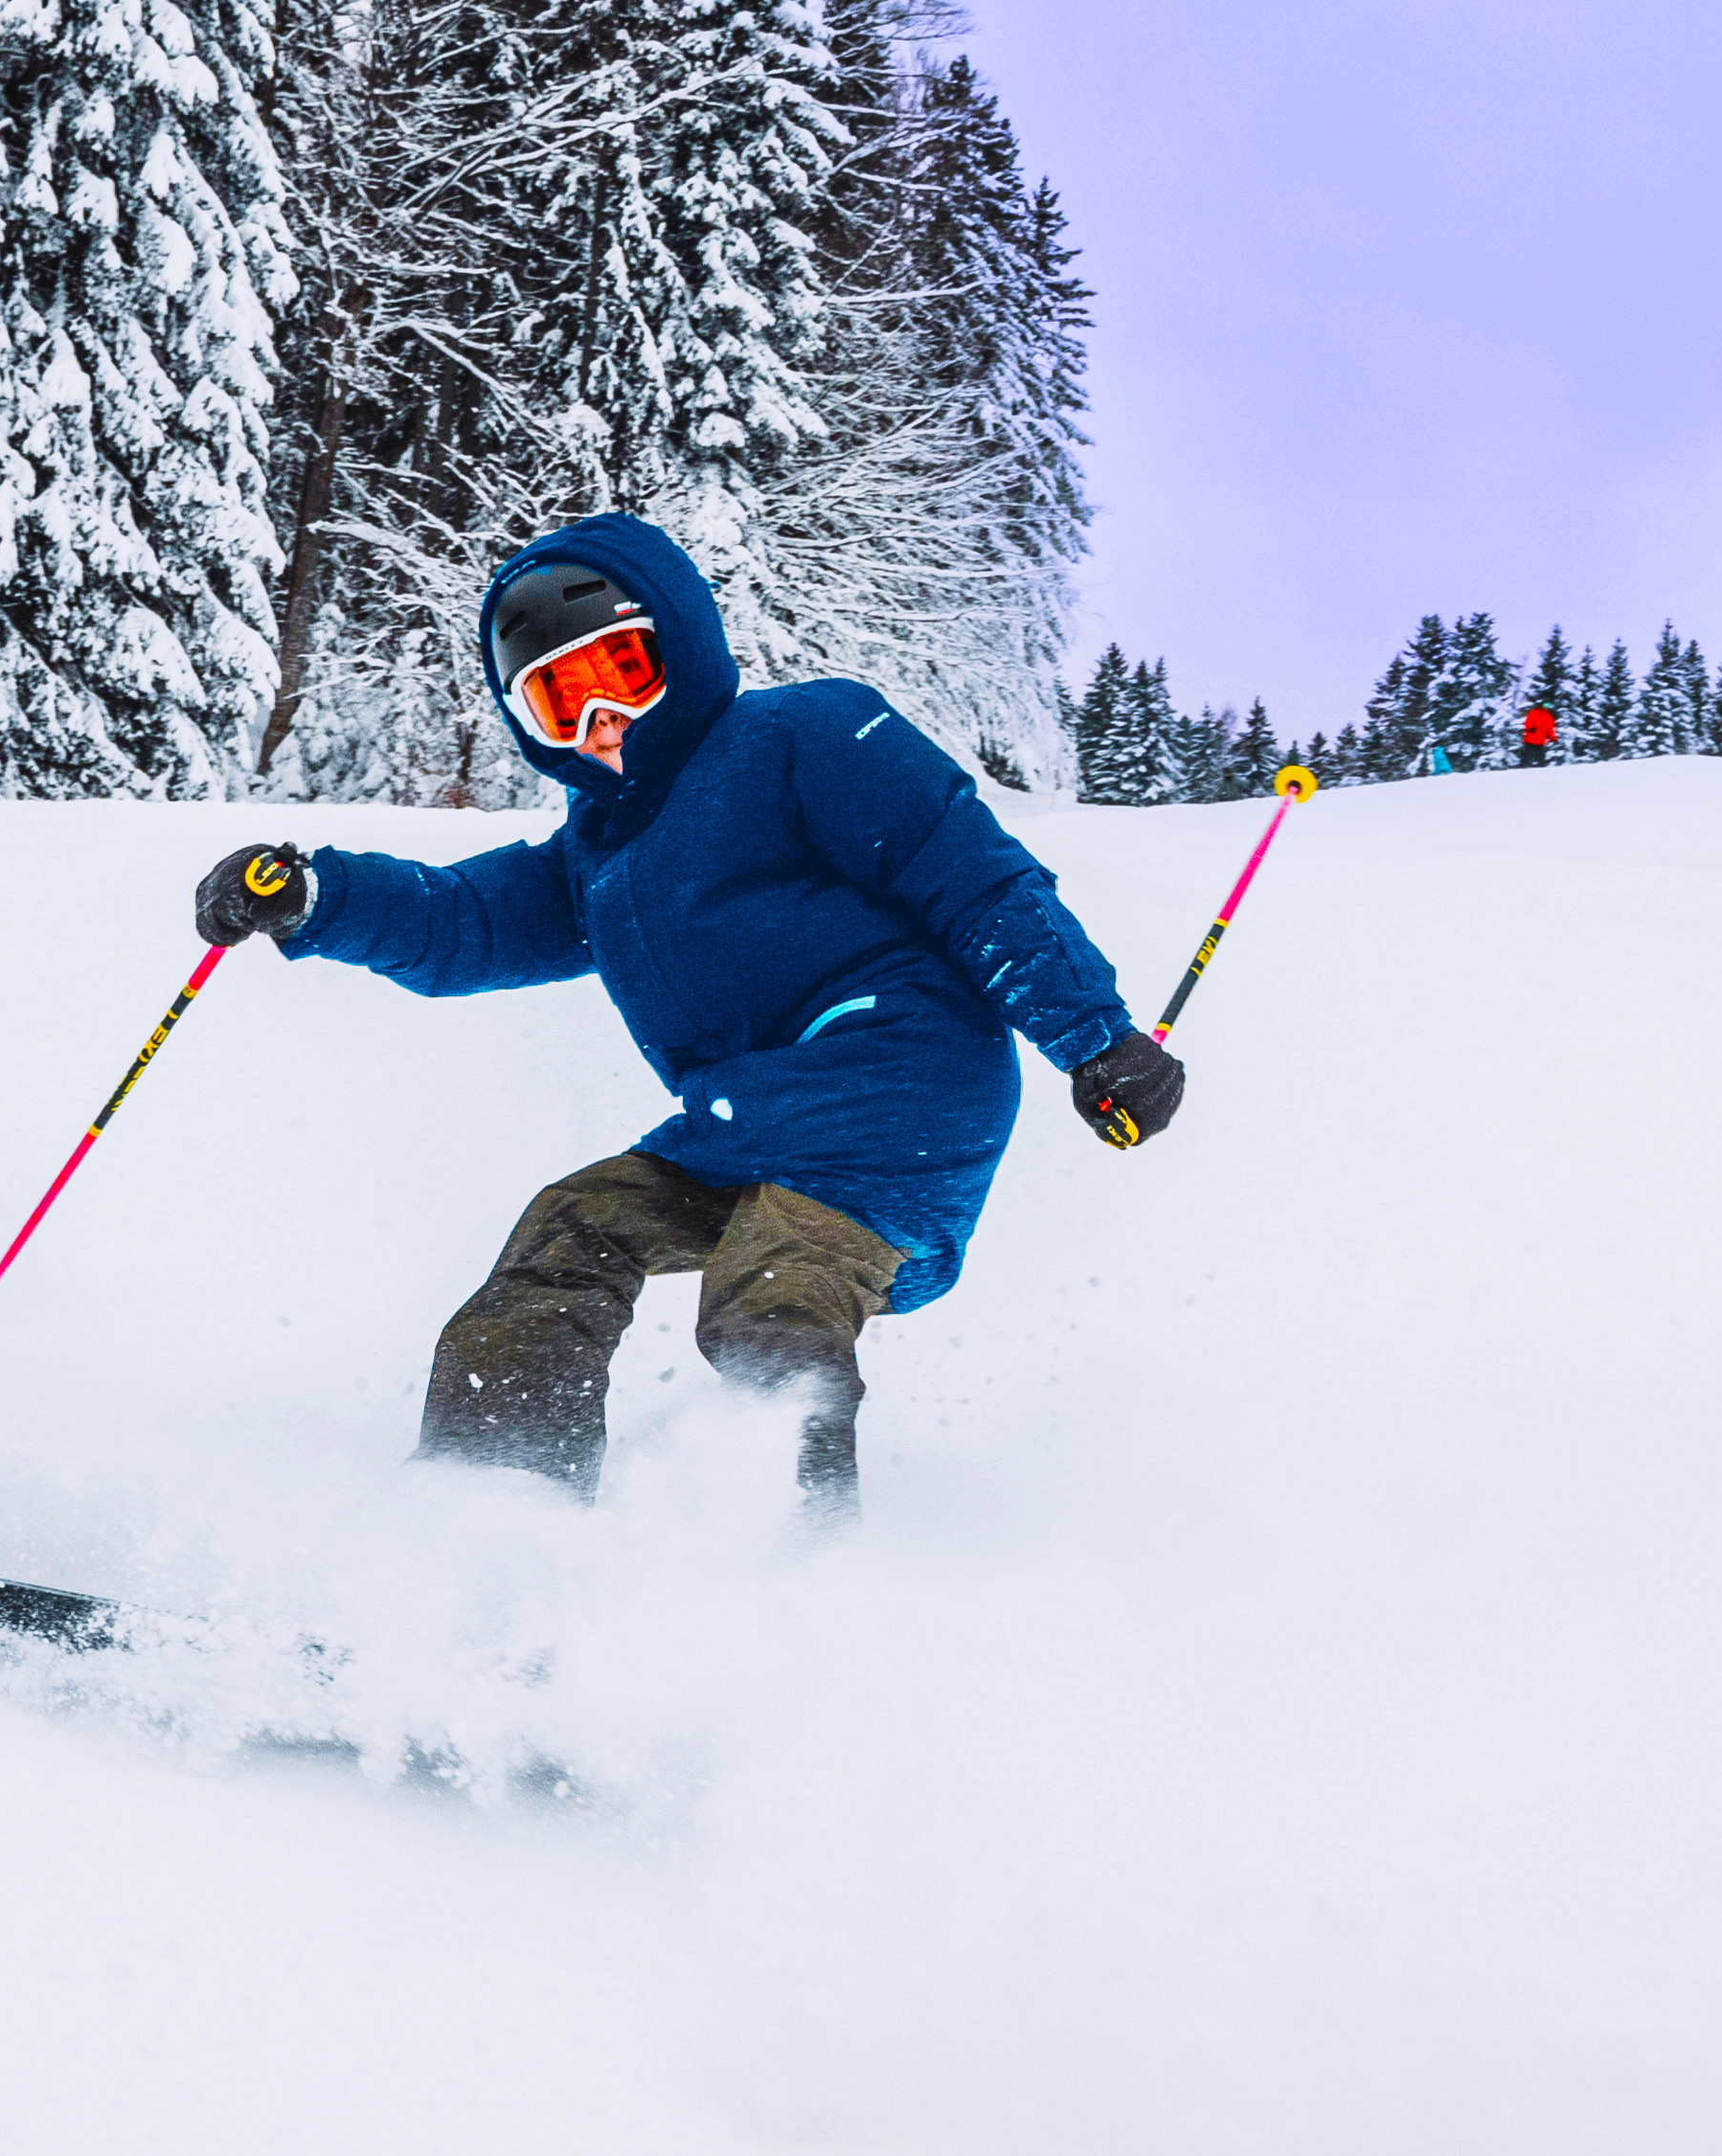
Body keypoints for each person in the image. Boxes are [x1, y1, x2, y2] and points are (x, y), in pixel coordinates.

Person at [193, 515, 1178, 1519]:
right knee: (568, 1229)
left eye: (622, 672)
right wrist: (318, 900)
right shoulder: (597, 852)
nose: (602, 722)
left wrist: (1095, 1039)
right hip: (742, 1120)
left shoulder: (805, 736)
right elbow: (466, 924)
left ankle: (790, 1567)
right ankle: (490, 1510)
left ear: (684, 643)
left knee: (773, 1288)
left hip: (895, 1093)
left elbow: (975, 881)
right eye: (559, 702)